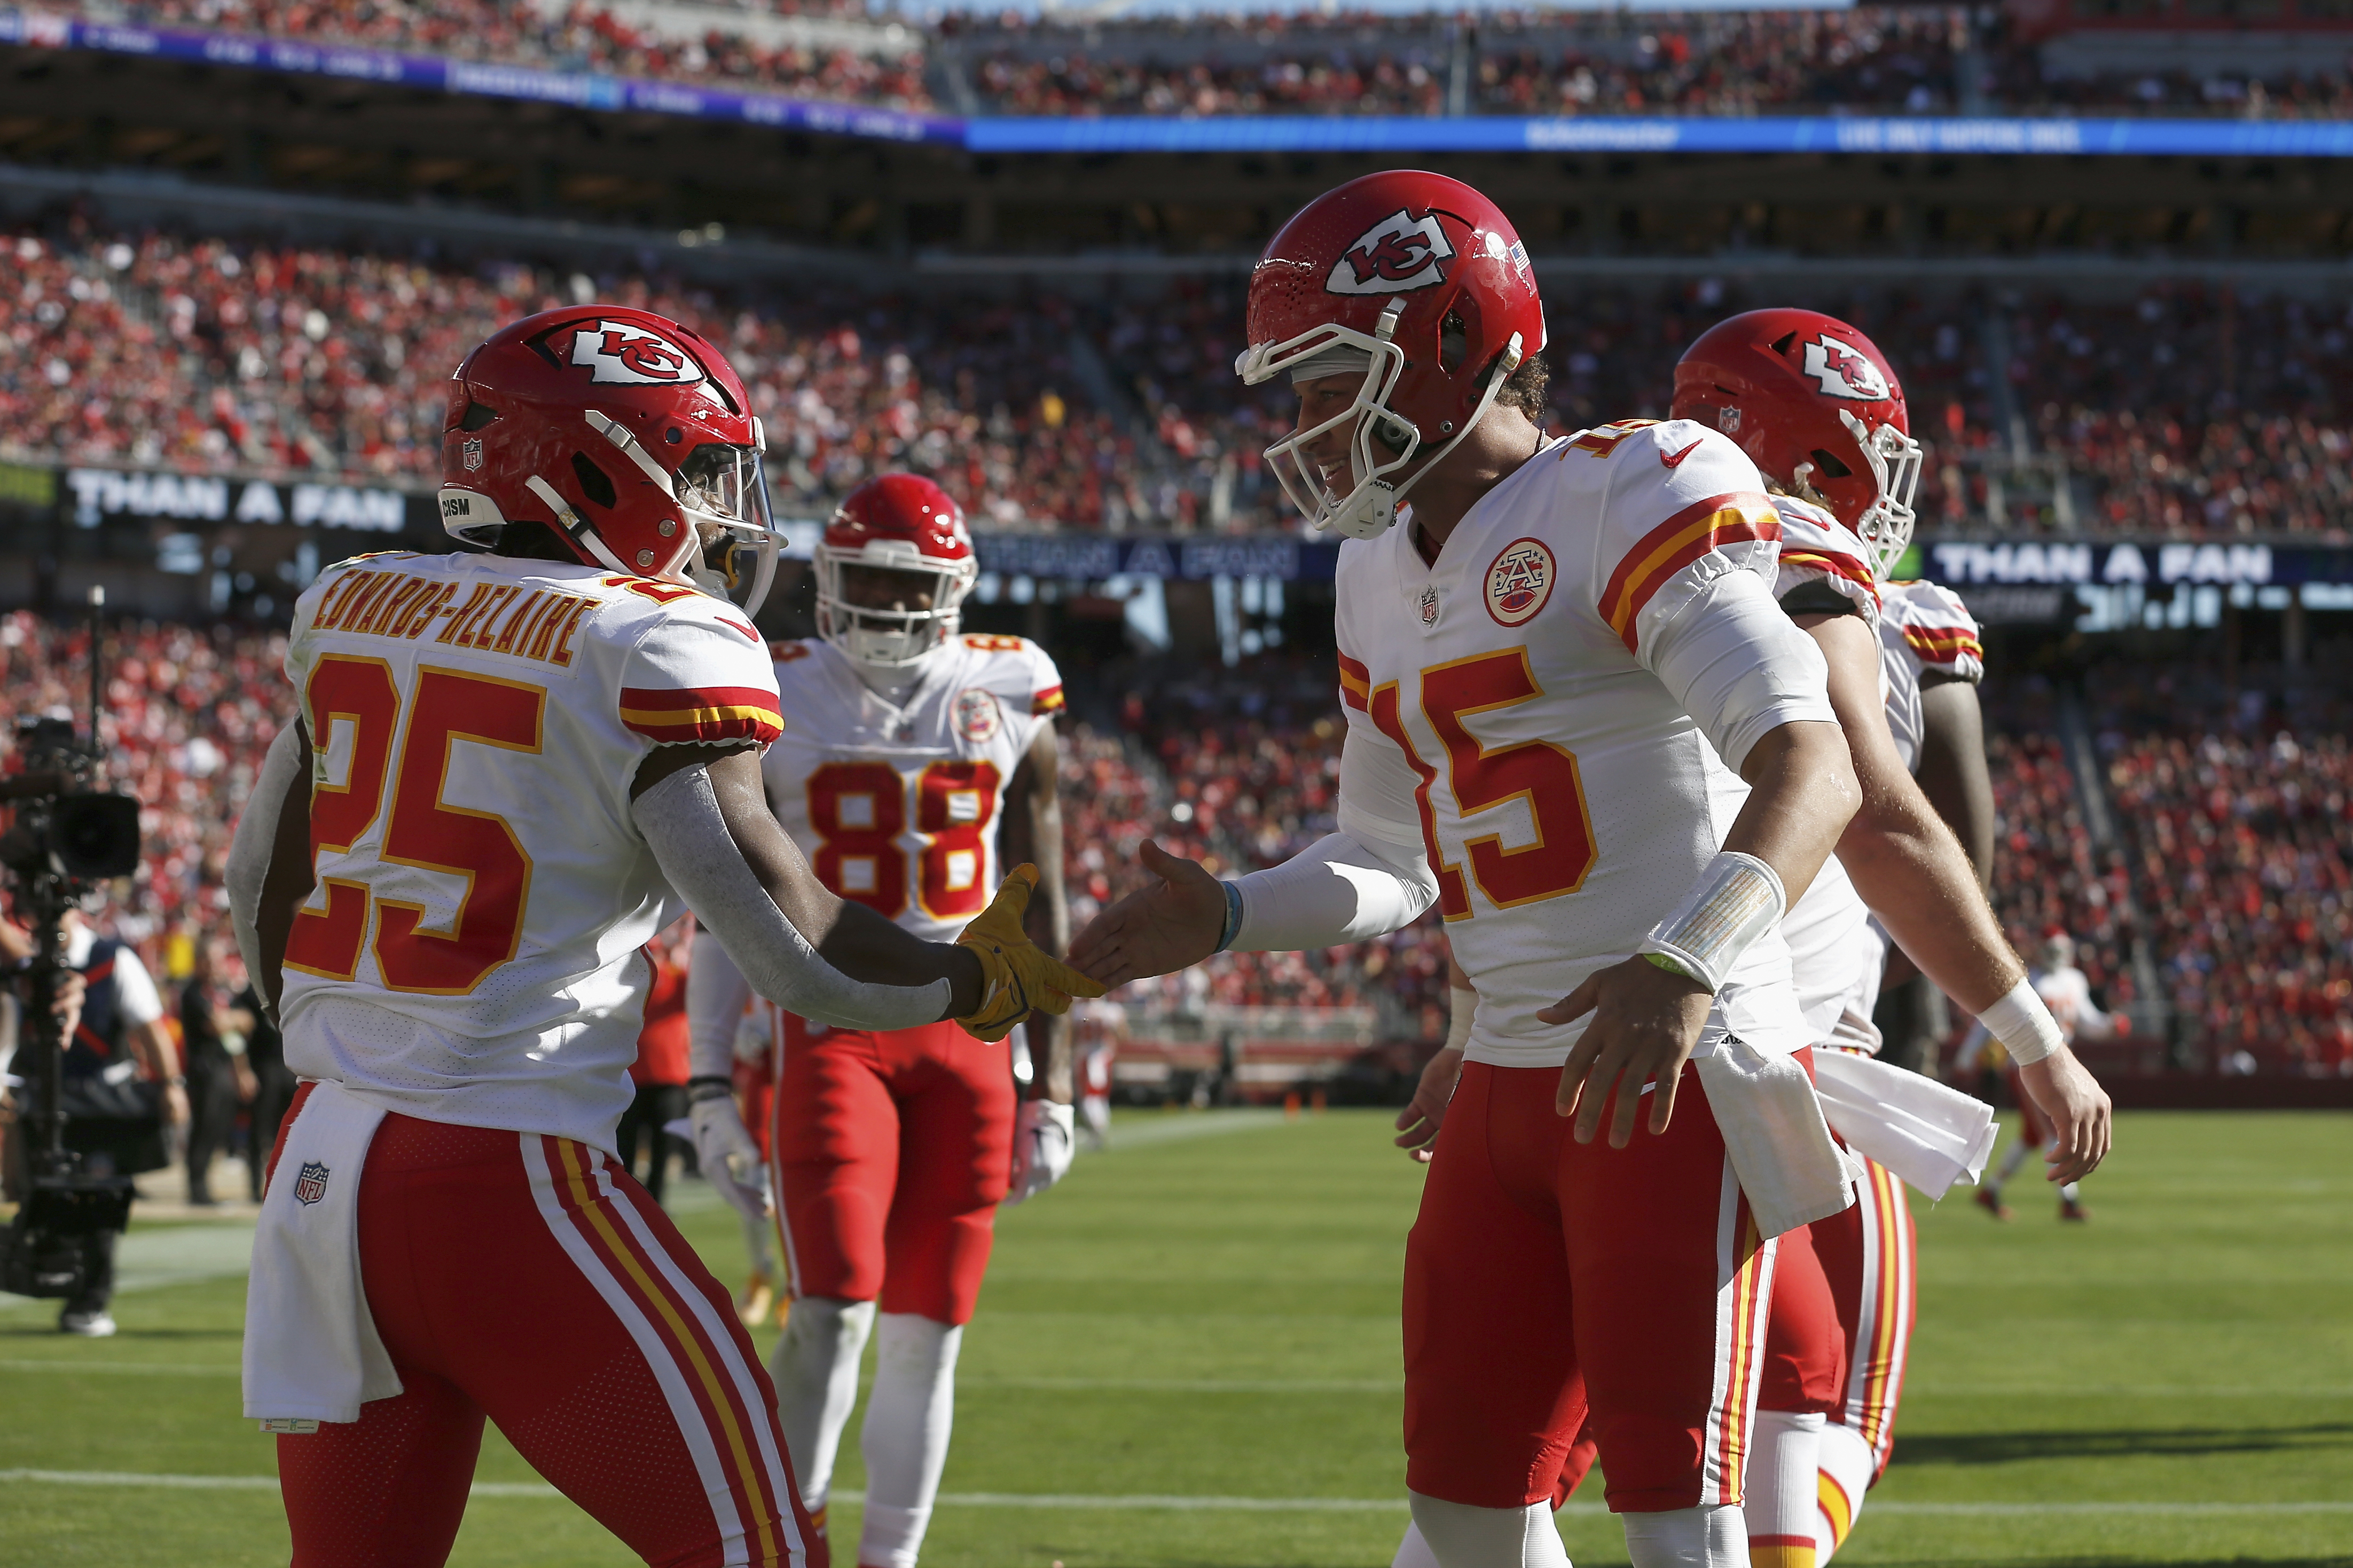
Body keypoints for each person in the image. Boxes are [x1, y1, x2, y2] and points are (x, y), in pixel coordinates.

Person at [1074, 169, 1870, 1568]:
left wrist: (1684, 960)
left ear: (1448, 343)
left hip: (1671, 1070)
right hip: (1508, 1083)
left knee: (1678, 1523)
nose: (1306, 425)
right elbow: (1388, 858)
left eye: (1328, 381)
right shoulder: (1374, 572)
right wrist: (1231, 912)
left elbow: (1813, 764)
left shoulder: (1627, 485)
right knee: (1463, 1514)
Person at [224, 305, 1096, 1568]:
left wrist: (327, 1045)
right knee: (760, 1546)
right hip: (509, 1175)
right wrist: (967, 978)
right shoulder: (650, 640)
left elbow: (261, 873)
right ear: (594, 465)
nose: (714, 503)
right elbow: (795, 945)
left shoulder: (357, 602)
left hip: (323, 1166)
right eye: (694, 468)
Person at [1669, 308, 2114, 1566]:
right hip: (1800, 1062)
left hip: (1614, 1041)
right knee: (1821, 1409)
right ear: (1808, 457)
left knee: (1571, 1437)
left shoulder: (1612, 556)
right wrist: (2015, 1026)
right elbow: (1934, 838)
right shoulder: (1877, 593)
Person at [686, 471, 1077, 1568]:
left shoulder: (1012, 685)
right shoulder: (774, 684)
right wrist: (709, 1080)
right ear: (827, 580)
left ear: (954, 588)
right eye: (866, 578)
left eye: (909, 584)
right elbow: (722, 897)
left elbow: (1045, 892)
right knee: (835, 1310)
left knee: (929, 1334)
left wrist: (1059, 1082)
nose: (889, 605)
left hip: (975, 1030)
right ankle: (783, 1543)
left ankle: (888, 1559)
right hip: (834, 1021)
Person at [52, 904, 188, 1335]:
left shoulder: (113, 957)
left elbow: (150, 1025)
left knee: (98, 1205)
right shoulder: (22, 961)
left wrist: (170, 1083)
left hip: (100, 1106)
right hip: (40, 1097)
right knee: (46, 1203)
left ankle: (90, 1300)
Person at [1969, 929, 2123, 1223]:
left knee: (2032, 1136)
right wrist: (1969, 1054)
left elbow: (2088, 1022)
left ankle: (1991, 1191)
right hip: (2029, 1066)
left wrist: (2110, 1025)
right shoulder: (2031, 980)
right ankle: (2069, 1202)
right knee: (2056, 1130)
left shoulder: (2074, 980)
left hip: (2063, 1067)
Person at [615, 916, 694, 1204]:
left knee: (663, 1153)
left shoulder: (677, 974)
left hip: (669, 1077)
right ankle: (627, 1204)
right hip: (630, 1074)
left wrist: (682, 951)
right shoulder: (629, 978)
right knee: (625, 1152)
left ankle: (655, 1208)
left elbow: (697, 990)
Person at [178, 934, 256, 1207]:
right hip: (204, 1070)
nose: (214, 967)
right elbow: (216, 1025)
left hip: (224, 1068)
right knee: (204, 1126)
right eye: (209, 961)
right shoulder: (192, 993)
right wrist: (234, 1021)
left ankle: (204, 1184)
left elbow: (248, 1023)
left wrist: (232, 1021)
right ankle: (196, 1186)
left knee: (219, 1128)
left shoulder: (222, 993)